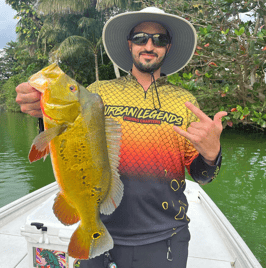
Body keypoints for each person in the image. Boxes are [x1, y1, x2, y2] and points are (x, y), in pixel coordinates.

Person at [16, 7, 227, 268]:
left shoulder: (186, 103)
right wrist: (42, 112)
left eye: (159, 39)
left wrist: (211, 154)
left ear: (168, 47)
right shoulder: (95, 95)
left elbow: (203, 176)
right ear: (130, 44)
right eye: (140, 38)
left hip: (164, 237)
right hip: (99, 227)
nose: (149, 45)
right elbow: (66, 147)